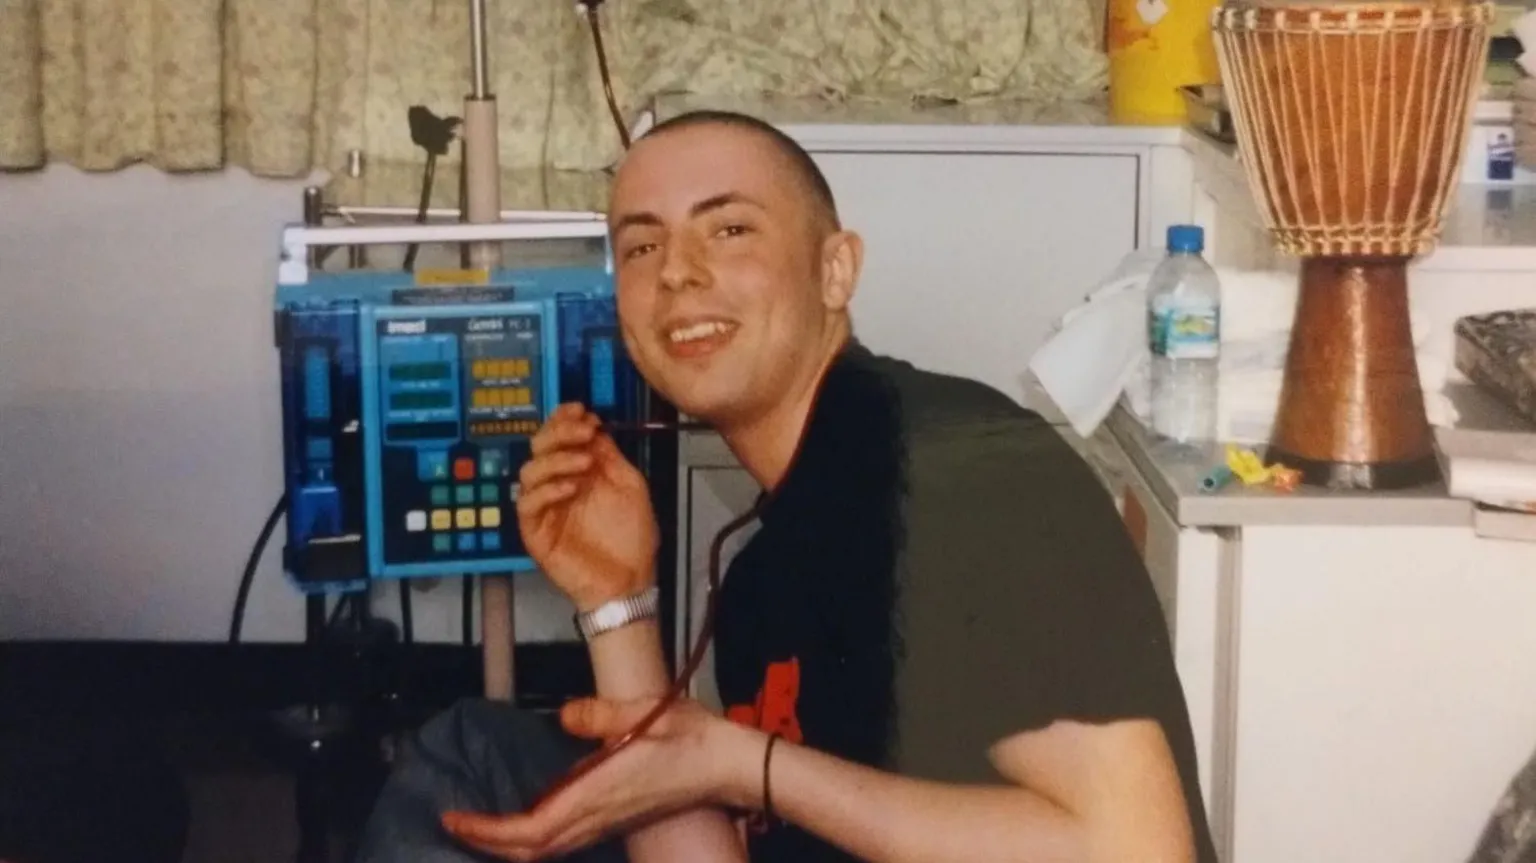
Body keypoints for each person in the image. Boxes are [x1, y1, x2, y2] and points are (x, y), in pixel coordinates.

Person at [353, 108, 1218, 863]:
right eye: (642, 245)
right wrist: (617, 601)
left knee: (472, 753)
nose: (677, 271)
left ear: (836, 271)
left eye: (728, 230)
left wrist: (745, 763)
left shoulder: (967, 474)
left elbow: (1135, 850)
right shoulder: (763, 579)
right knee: (481, 751)